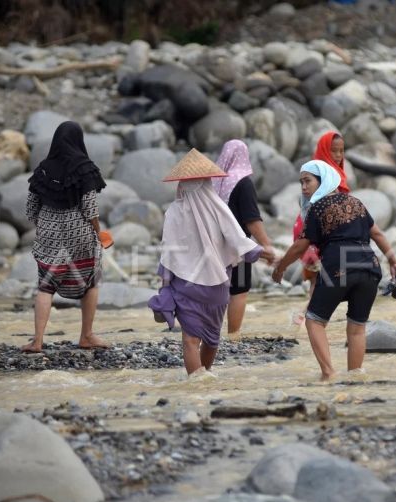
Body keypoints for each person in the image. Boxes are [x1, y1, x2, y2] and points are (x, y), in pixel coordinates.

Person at [273, 160, 396, 380]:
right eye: (301, 183)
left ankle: (328, 374)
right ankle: (355, 377)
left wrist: (281, 267)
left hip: (339, 266)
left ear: (323, 180)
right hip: (370, 268)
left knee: (314, 320)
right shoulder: (356, 203)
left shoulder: (318, 207)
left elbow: (300, 245)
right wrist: (394, 261)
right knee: (357, 328)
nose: (304, 187)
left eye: (308, 181)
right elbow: (378, 234)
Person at [149, 149, 275, 376]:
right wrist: (265, 252)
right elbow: (238, 239)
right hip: (218, 287)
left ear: (183, 184)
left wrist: (164, 284)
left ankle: (196, 385)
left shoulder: (174, 212)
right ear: (207, 182)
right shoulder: (219, 207)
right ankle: (206, 378)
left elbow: (168, 252)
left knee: (190, 340)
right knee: (212, 339)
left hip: (187, 287)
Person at [22, 121, 109, 353]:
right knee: (91, 281)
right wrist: (99, 233)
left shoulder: (42, 169)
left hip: (49, 236)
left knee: (45, 286)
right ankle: (86, 336)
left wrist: (44, 226)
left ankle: (37, 341)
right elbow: (90, 208)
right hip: (80, 236)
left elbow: (31, 208)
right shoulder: (84, 167)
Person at [212, 140, 275, 336]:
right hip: (237, 245)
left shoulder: (215, 181)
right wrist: (267, 245)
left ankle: (210, 334)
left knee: (217, 290)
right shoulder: (243, 182)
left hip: (214, 243)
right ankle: (233, 336)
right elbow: (251, 219)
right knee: (239, 290)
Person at [291, 131, 350, 325]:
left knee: (319, 279)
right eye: (334, 151)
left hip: (314, 234)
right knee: (320, 279)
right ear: (324, 150)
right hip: (316, 235)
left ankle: (309, 315)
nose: (339, 155)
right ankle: (307, 315)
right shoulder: (319, 174)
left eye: (341, 151)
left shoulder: (331, 173)